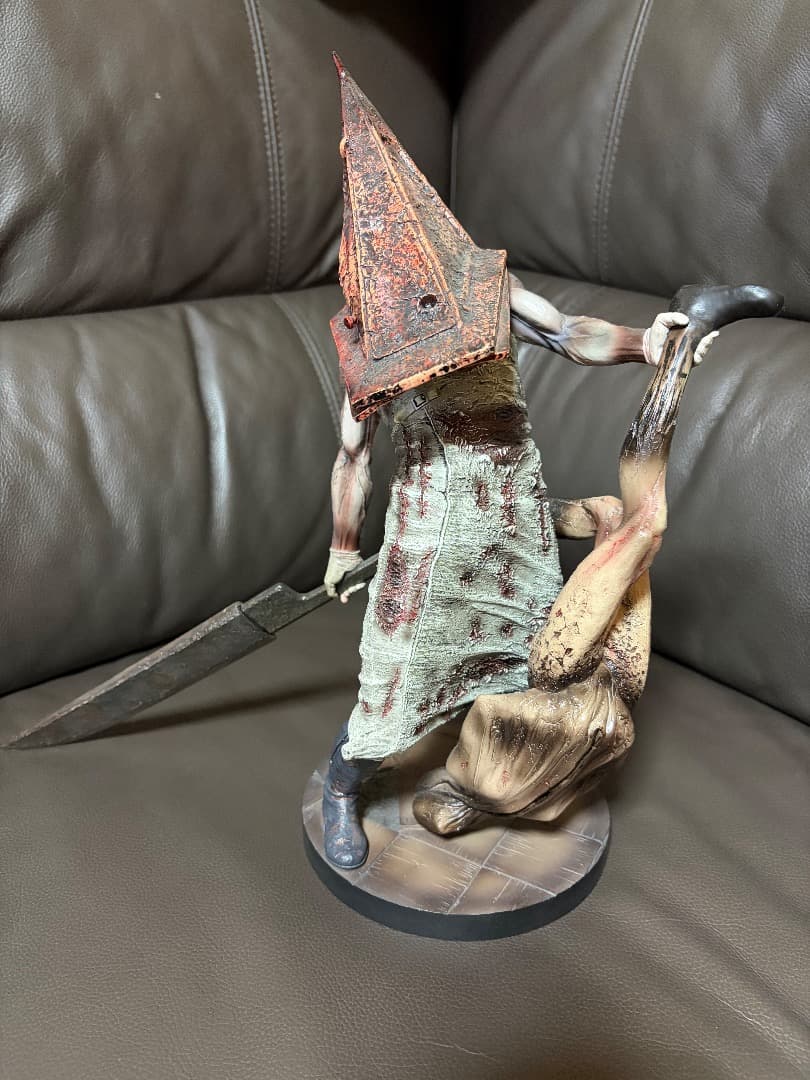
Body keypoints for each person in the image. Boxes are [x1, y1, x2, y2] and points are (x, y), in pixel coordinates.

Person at [320, 60, 716, 869]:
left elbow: (570, 333)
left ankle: (493, 782)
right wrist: (340, 546)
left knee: (525, 666)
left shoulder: (485, 292)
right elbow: (353, 455)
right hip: (430, 538)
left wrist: (647, 344)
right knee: (395, 683)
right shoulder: (368, 351)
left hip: (509, 521)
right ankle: (342, 785)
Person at [412, 306, 714, 836]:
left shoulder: (506, 787)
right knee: (626, 519)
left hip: (571, 674)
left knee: (630, 520)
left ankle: (679, 357)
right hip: (590, 682)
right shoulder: (512, 787)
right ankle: (679, 354)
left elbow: (541, 520)